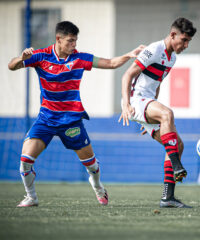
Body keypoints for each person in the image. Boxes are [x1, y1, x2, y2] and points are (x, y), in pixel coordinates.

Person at [8, 21, 144, 207]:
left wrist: (129, 55)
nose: (74, 45)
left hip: (71, 120)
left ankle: (98, 187)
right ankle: (31, 197)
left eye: (75, 41)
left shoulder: (79, 58)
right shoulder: (40, 56)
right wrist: (21, 58)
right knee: (25, 160)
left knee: (91, 165)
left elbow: (110, 63)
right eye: (70, 41)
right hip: (46, 119)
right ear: (58, 39)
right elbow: (12, 66)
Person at [119, 17, 196, 208]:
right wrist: (127, 105)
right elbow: (127, 75)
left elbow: (157, 84)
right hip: (135, 100)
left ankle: (167, 198)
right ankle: (177, 166)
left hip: (147, 103)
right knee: (168, 114)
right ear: (172, 35)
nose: (186, 45)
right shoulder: (154, 49)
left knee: (177, 145)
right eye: (184, 40)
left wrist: (152, 115)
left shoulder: (172, 58)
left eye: (188, 41)